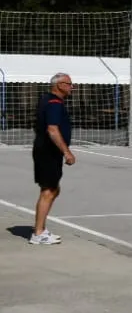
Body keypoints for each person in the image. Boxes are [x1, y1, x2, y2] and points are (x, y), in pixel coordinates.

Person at [31, 73, 75, 246]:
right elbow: (52, 129)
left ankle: (40, 229)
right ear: (59, 85)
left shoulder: (47, 99)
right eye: (69, 84)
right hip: (48, 152)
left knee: (53, 189)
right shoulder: (54, 103)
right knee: (49, 191)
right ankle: (38, 233)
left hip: (46, 151)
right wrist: (67, 152)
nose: (72, 87)